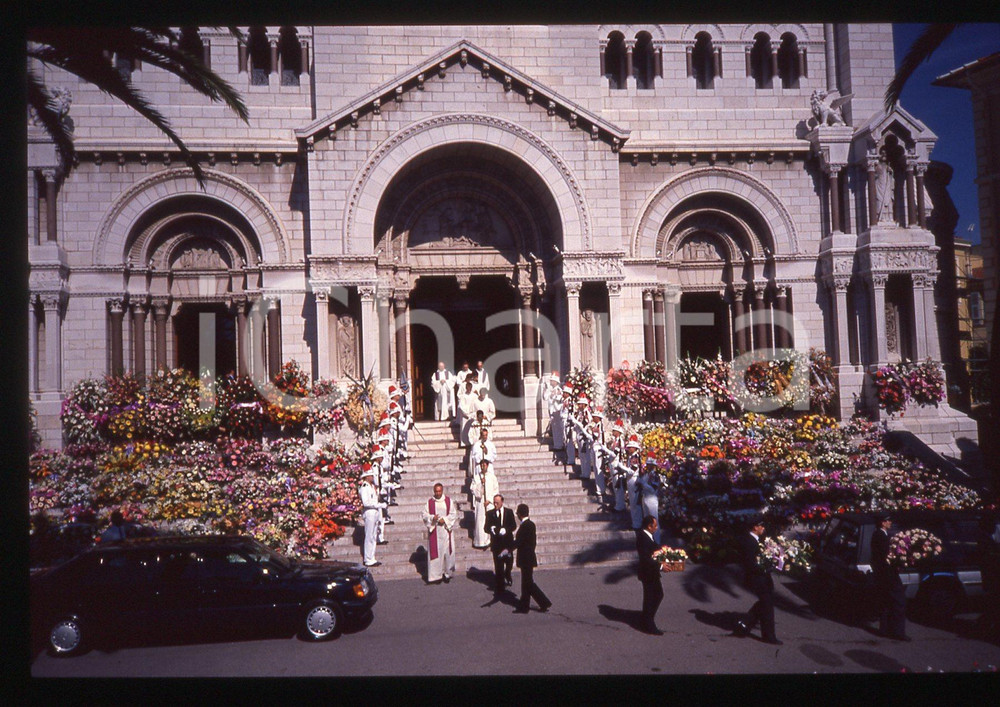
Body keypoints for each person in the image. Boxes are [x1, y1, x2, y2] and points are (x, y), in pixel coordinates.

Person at [734, 519, 782, 645]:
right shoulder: (749, 541)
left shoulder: (755, 540)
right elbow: (750, 563)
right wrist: (768, 567)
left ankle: (743, 625)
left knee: (765, 603)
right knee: (767, 605)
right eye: (762, 526)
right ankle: (768, 636)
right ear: (755, 527)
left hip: (762, 577)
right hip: (757, 578)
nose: (763, 528)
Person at [870, 512, 910, 641]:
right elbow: (885, 557)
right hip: (888, 575)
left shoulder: (879, 535)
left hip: (883, 575)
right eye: (888, 521)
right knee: (899, 602)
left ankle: (884, 629)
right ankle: (898, 632)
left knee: (885, 602)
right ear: (883, 522)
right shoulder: (880, 536)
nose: (890, 523)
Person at [513, 503, 551, 613]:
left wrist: (508, 549)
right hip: (529, 557)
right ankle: (525, 606)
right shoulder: (531, 524)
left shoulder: (525, 526)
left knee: (528, 583)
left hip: (525, 558)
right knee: (526, 583)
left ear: (519, 514)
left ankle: (543, 602)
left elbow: (519, 542)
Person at [421, 483, 458, 583]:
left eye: (439, 491)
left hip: (446, 530)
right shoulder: (430, 502)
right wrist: (433, 518)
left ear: (442, 490)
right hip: (435, 530)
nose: (438, 493)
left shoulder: (448, 501)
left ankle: (447, 573)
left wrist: (445, 520)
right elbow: (424, 515)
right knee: (436, 553)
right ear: (434, 491)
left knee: (447, 552)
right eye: (436, 491)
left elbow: (453, 514)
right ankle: (436, 576)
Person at [636, 514, 664, 635]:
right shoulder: (643, 538)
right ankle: (648, 623)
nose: (656, 527)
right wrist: (662, 566)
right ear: (649, 526)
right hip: (648, 572)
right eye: (655, 525)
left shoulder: (648, 536)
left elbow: (655, 549)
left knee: (655, 595)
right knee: (653, 597)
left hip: (651, 572)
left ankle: (646, 619)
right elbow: (646, 558)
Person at [486, 493, 516, 593]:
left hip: (507, 543)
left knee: (509, 563)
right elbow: (486, 528)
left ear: (502, 502)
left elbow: (513, 526)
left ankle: (507, 574)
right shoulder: (490, 513)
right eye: (494, 503)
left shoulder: (509, 512)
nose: (495, 505)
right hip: (496, 544)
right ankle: (500, 587)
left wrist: (506, 530)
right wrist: (491, 529)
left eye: (497, 503)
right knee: (498, 566)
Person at [358, 467, 385, 567]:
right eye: (371, 475)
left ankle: (371, 557)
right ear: (367, 477)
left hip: (374, 512)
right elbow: (366, 502)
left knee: (373, 536)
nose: (373, 477)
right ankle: (368, 558)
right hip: (369, 512)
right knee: (369, 536)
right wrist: (378, 505)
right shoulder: (364, 487)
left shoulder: (371, 486)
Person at [470, 459, 499, 549]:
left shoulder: (492, 477)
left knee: (490, 521)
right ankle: (480, 542)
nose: (483, 467)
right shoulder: (476, 477)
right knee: (480, 522)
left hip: (489, 503)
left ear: (487, 466)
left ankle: (490, 540)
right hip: (480, 502)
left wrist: (490, 500)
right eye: (481, 465)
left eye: (485, 465)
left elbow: (496, 490)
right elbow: (473, 490)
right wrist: (481, 484)